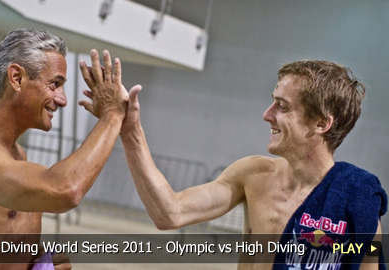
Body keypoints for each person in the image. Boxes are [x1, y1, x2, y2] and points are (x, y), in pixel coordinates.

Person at [113, 60, 386, 269]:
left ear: (321, 123)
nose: (267, 115)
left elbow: (371, 259)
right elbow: (170, 213)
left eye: (282, 106)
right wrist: (131, 133)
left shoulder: (358, 198)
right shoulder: (253, 175)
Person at [0, 28, 139, 269]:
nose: (62, 100)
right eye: (55, 84)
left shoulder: (17, 155)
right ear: (17, 78)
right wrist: (112, 116)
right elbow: (66, 190)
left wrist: (42, 263)